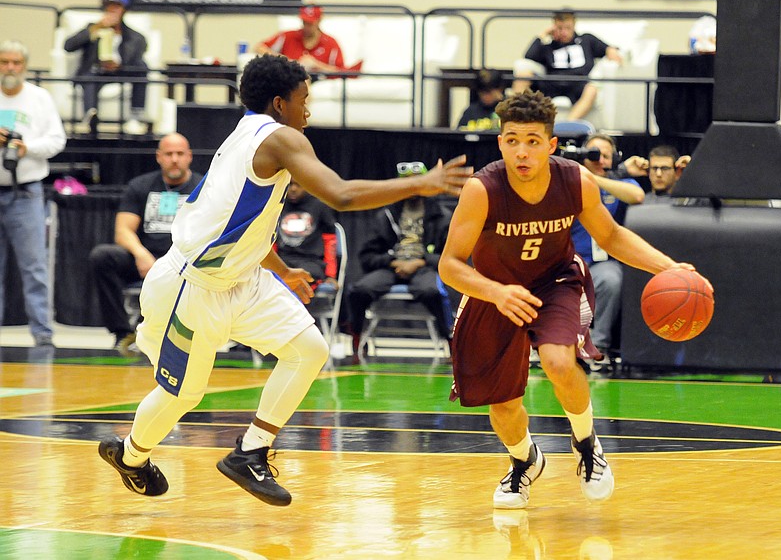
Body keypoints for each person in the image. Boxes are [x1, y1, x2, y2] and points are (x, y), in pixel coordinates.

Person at [97, 54, 471, 506]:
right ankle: (131, 457)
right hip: (191, 287)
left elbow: (242, 225)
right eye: (303, 100)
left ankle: (250, 452)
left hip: (244, 276)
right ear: (279, 103)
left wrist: (284, 269)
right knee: (184, 395)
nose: (308, 110)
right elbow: (343, 194)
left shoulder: (248, 131)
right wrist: (420, 184)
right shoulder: (278, 139)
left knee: (309, 349)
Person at [438, 90, 703, 509]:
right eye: (511, 140)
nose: (521, 151)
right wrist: (496, 292)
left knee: (560, 361)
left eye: (531, 141)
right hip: (494, 290)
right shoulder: (482, 188)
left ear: (551, 145)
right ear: (500, 142)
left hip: (554, 281)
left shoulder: (574, 180)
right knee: (503, 406)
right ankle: (525, 461)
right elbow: (449, 265)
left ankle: (586, 445)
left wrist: (666, 267)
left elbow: (611, 236)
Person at [88, 133, 202, 355]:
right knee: (102, 256)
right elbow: (122, 231)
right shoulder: (140, 185)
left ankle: (153, 329)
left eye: (180, 154)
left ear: (189, 157)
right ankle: (122, 332)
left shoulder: (203, 187)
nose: (175, 159)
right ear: (159, 157)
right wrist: (140, 254)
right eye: (169, 154)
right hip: (146, 259)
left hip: (183, 261)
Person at [347, 171, 455, 361]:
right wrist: (392, 261)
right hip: (391, 266)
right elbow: (367, 256)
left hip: (424, 266)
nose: (412, 186)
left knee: (434, 291)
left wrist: (421, 261)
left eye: (416, 181)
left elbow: (451, 257)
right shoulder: (386, 215)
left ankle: (451, 342)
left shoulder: (442, 216)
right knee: (359, 290)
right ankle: (357, 342)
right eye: (406, 182)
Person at [0, 40, 67, 348]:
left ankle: (42, 334)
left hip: (26, 192)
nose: (10, 68)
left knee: (34, 266)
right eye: (4, 62)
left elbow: (57, 140)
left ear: (24, 66)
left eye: (16, 62)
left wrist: (27, 148)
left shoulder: (39, 98)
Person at [569, 134, 644, 369]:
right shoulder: (569, 180)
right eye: (593, 154)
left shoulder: (619, 182)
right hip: (569, 258)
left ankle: (597, 347)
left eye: (606, 155)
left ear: (614, 160)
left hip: (603, 262)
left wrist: (595, 179)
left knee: (611, 280)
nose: (599, 159)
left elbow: (637, 196)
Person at [511, 11, 623, 121]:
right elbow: (528, 56)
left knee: (592, 89)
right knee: (523, 75)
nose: (564, 32)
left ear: (574, 25)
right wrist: (543, 34)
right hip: (552, 82)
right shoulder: (549, 46)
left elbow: (608, 49)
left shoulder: (586, 40)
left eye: (567, 28)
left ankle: (569, 124)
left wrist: (610, 50)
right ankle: (517, 118)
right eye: (560, 28)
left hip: (578, 83)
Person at [63, 0, 149, 135]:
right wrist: (96, 29)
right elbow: (68, 46)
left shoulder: (135, 37)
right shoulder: (93, 28)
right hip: (96, 72)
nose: (112, 9)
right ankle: (90, 117)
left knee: (142, 66)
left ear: (124, 9)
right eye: (109, 5)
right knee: (89, 75)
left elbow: (136, 55)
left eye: (117, 6)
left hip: (121, 72)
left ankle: (135, 116)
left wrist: (119, 65)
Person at [253, 4, 360, 78]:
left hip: (315, 78)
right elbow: (259, 47)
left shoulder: (330, 43)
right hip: (287, 76)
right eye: (304, 22)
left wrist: (316, 65)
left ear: (319, 21)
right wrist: (285, 60)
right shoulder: (288, 36)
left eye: (310, 23)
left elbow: (341, 72)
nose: (306, 26)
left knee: (303, 80)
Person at [276, 180, 338, 286]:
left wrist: (330, 275)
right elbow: (270, 241)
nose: (293, 189)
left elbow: (330, 242)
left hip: (311, 261)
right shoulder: (278, 205)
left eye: (298, 184)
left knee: (303, 277)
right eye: (290, 184)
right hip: (283, 259)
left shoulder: (319, 205)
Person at [618, 145, 691, 203]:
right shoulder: (638, 201)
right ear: (649, 171)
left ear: (677, 173)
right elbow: (606, 186)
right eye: (654, 168)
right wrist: (622, 170)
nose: (658, 174)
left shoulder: (689, 202)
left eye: (664, 168)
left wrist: (696, 169)